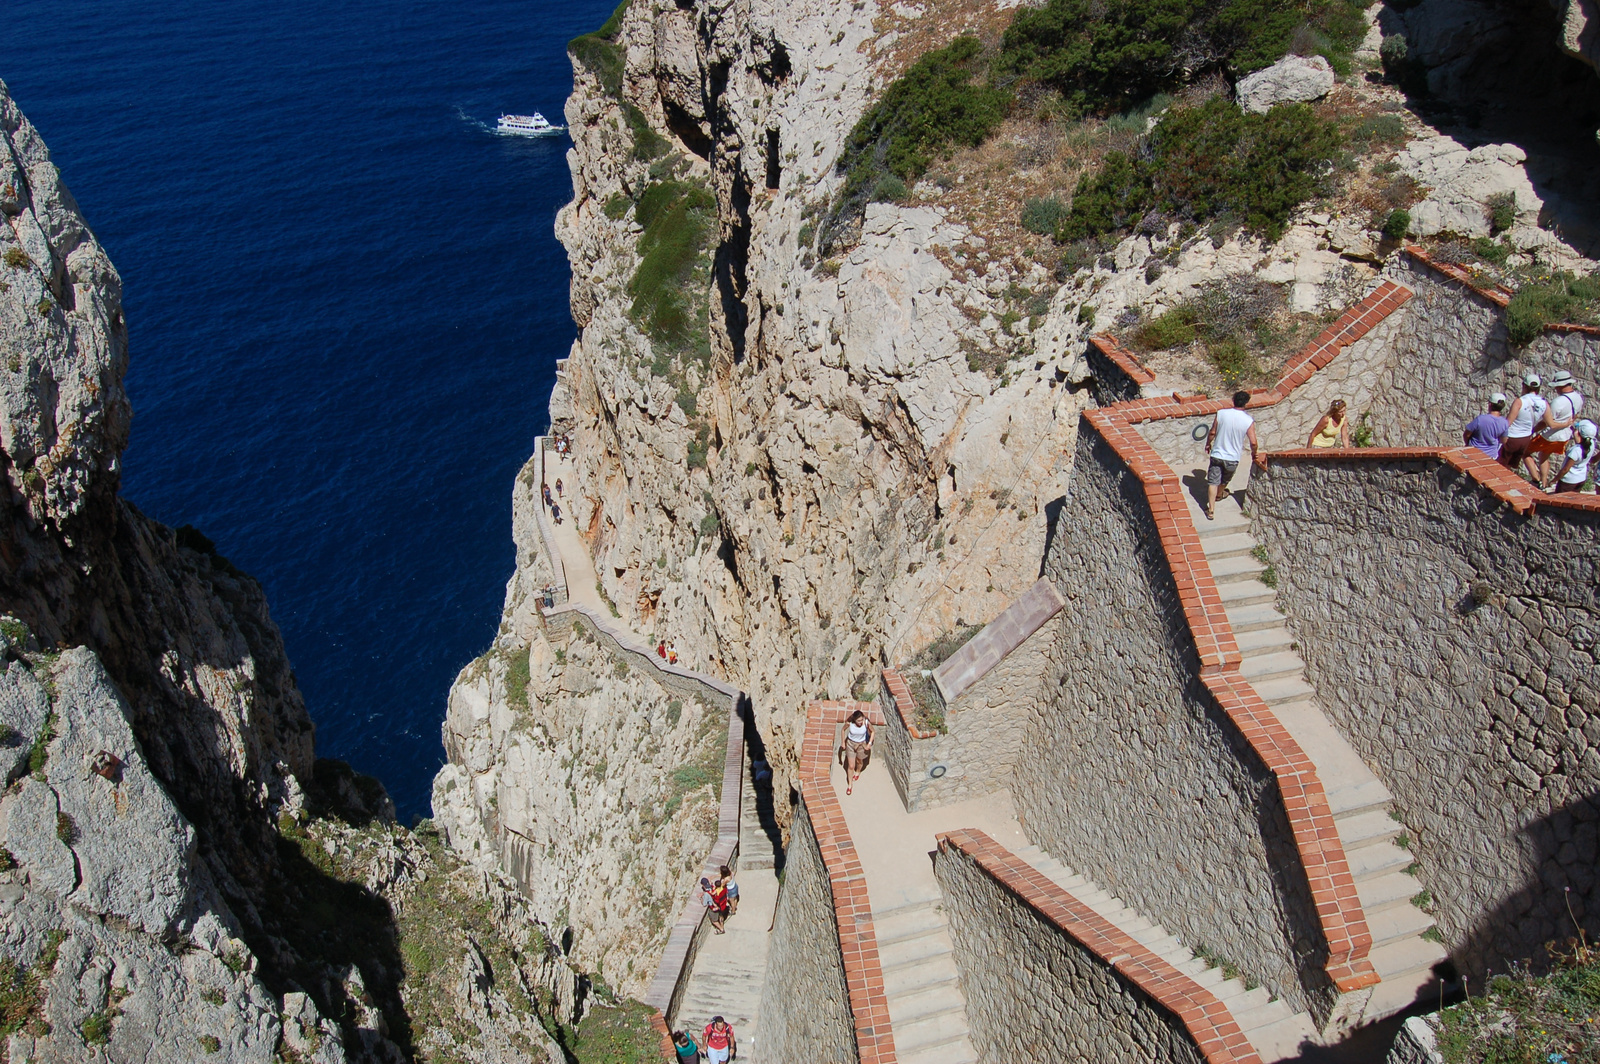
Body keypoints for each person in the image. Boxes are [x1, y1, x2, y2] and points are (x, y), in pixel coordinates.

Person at [1204, 392, 1265, 520]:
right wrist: (1254, 454)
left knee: (1213, 482)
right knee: (1224, 480)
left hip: (1217, 454)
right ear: (1246, 403)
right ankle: (1219, 495)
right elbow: (1253, 442)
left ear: (1233, 400)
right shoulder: (1248, 421)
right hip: (1232, 458)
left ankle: (1211, 509)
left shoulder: (1221, 413)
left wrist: (1208, 444)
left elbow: (1212, 432)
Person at [1533, 370, 1585, 487]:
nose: (1555, 389)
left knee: (1527, 452)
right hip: (1565, 435)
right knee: (1544, 455)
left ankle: (1539, 480)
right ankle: (1544, 483)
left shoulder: (1558, 401)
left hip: (1551, 435)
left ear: (1561, 386)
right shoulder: (1578, 397)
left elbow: (1547, 421)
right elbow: (1575, 415)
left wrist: (1533, 430)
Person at [1500, 373, 1547, 475]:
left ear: (1524, 386)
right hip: (1526, 439)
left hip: (1512, 437)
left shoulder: (1520, 401)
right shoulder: (1544, 403)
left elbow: (1508, 423)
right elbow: (1548, 422)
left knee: (1501, 465)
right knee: (1511, 467)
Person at [1552, 419, 1597, 493]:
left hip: (1568, 481)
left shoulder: (1575, 451)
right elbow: (1581, 444)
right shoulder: (1591, 444)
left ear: (1579, 434)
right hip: (1581, 478)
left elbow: (1565, 469)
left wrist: (1554, 481)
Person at [1462, 393, 1511, 459]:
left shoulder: (1480, 419)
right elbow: (1504, 440)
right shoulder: (1504, 422)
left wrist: (1468, 444)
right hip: (1491, 455)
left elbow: (1467, 434)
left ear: (1490, 404)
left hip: (1474, 453)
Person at [840, 709, 873, 795]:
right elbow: (843, 730)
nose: (861, 722)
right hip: (851, 744)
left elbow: (873, 732)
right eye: (858, 720)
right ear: (854, 720)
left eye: (861, 719)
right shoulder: (849, 723)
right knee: (851, 766)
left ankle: (858, 771)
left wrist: (869, 744)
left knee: (859, 761)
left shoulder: (866, 723)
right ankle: (850, 785)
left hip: (861, 745)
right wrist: (843, 742)